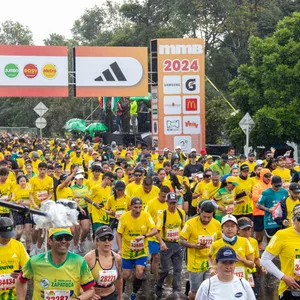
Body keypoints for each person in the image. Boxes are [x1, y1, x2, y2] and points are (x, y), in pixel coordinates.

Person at [16, 227, 95, 300]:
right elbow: (20, 280)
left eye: (67, 238)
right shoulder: (35, 261)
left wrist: (79, 299)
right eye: (59, 238)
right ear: (50, 241)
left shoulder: (79, 262)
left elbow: (90, 290)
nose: (64, 241)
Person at [179, 200, 222, 300]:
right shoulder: (190, 223)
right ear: (199, 211)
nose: (206, 220)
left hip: (210, 263)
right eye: (204, 217)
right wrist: (194, 245)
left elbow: (220, 241)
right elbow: (180, 240)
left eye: (209, 217)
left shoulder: (217, 224)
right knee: (195, 292)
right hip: (195, 264)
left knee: (209, 290)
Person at [117, 197, 157, 300]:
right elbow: (119, 234)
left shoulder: (146, 215)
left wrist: (145, 236)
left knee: (140, 272)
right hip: (127, 250)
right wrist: (120, 249)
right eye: (135, 207)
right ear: (130, 207)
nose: (138, 210)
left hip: (141, 250)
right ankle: (122, 290)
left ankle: (134, 293)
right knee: (126, 274)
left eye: (140, 207)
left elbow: (155, 230)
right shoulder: (124, 217)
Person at [261, 204, 300, 299]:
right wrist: (283, 277)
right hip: (291, 288)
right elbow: (265, 260)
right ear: (294, 219)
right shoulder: (282, 235)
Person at [156, 193, 186, 297]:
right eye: (171, 203)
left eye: (174, 203)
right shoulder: (162, 215)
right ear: (167, 202)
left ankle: (176, 291)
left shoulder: (181, 213)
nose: (173, 205)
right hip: (167, 245)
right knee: (165, 269)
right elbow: (157, 231)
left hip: (178, 244)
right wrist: (161, 243)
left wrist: (183, 241)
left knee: (178, 269)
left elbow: (184, 228)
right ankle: (159, 284)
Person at [208, 215, 254, 280]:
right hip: (222, 280)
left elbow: (252, 265)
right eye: (227, 226)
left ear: (237, 228)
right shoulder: (215, 244)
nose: (230, 229)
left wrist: (242, 260)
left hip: (240, 280)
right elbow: (210, 257)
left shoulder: (244, 242)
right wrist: (211, 268)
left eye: (232, 226)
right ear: (222, 228)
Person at [84, 226, 122, 300]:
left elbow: (119, 278)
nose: (107, 241)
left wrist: (120, 297)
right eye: (103, 238)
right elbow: (78, 280)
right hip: (94, 297)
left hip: (111, 295)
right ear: (97, 241)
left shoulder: (117, 258)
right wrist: (86, 293)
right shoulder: (88, 258)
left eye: (110, 238)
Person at [145, 185, 170, 280]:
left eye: (166, 197)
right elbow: (145, 217)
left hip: (165, 236)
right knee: (156, 257)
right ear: (159, 194)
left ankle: (157, 273)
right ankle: (155, 279)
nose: (164, 199)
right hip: (153, 236)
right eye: (163, 196)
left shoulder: (169, 204)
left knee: (163, 259)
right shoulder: (151, 204)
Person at [0, 217, 29, 300]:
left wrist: (21, 273)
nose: (7, 238)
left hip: (14, 294)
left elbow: (28, 268)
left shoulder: (18, 246)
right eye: (4, 236)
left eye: (9, 235)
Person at [256, 175, 288, 241]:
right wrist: (268, 210)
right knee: (271, 242)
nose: (278, 187)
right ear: (271, 183)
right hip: (270, 222)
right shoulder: (266, 193)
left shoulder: (284, 192)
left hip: (282, 221)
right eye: (276, 186)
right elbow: (258, 205)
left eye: (279, 185)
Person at [252, 168, 272, 248]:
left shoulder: (272, 185)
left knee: (269, 233)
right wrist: (266, 197)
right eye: (266, 176)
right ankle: (257, 247)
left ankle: (268, 248)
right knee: (259, 233)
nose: (268, 178)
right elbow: (254, 197)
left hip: (270, 213)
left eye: (269, 176)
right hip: (259, 213)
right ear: (262, 176)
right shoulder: (257, 185)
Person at [12, 174, 32, 252]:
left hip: (27, 212)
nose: (23, 182)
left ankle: (28, 250)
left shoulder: (30, 189)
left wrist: (28, 203)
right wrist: (18, 202)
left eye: (24, 181)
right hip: (18, 212)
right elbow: (13, 202)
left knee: (28, 232)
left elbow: (33, 200)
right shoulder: (15, 190)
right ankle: (15, 244)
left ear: (26, 181)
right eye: (21, 181)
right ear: (18, 182)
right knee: (19, 232)